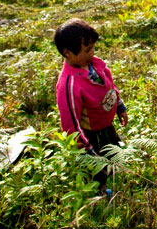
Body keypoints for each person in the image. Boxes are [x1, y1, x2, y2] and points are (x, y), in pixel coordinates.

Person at [54, 17, 128, 193]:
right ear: (68, 53)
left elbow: (110, 87)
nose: (92, 53)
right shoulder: (68, 84)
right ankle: (100, 197)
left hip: (106, 128)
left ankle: (114, 186)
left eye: (93, 47)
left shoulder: (95, 65)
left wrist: (119, 107)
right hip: (90, 137)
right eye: (87, 50)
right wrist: (87, 150)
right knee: (97, 171)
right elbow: (70, 123)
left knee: (114, 159)